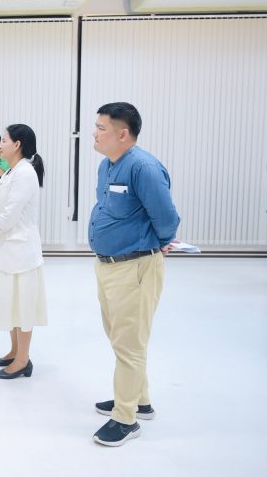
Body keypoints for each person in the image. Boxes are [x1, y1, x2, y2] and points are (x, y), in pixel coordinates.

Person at [88, 102, 179, 447]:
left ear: (123, 134)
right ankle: (139, 400)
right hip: (109, 266)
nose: (94, 134)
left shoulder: (144, 167)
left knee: (130, 343)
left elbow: (167, 219)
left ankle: (126, 418)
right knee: (121, 338)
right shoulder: (107, 166)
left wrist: (161, 242)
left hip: (135, 267)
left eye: (101, 128)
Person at [0, 124, 47, 380]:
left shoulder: (25, 173)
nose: (0, 144)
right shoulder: (12, 171)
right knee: (12, 303)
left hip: (20, 253)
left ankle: (23, 360)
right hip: (7, 249)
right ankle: (14, 351)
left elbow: (10, 214)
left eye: (4, 140)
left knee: (23, 306)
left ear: (17, 144)